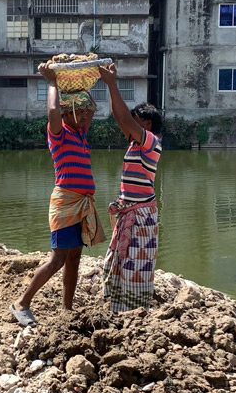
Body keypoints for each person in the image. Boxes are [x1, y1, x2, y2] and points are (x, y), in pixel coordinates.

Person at [10, 63, 105, 326]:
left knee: (75, 256)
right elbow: (53, 109)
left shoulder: (81, 133)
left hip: (82, 204)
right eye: (82, 112)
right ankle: (22, 303)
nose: (87, 116)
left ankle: (67, 308)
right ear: (69, 112)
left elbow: (93, 107)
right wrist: (51, 81)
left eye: (87, 112)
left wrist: (85, 80)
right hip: (65, 203)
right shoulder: (59, 134)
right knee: (58, 258)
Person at [98, 64, 163, 313]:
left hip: (141, 216)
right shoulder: (136, 143)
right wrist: (109, 85)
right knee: (122, 261)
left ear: (146, 124)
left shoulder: (150, 142)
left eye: (135, 122)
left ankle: (134, 312)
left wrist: (112, 83)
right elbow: (120, 117)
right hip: (130, 213)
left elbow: (124, 118)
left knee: (135, 265)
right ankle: (118, 308)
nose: (129, 127)